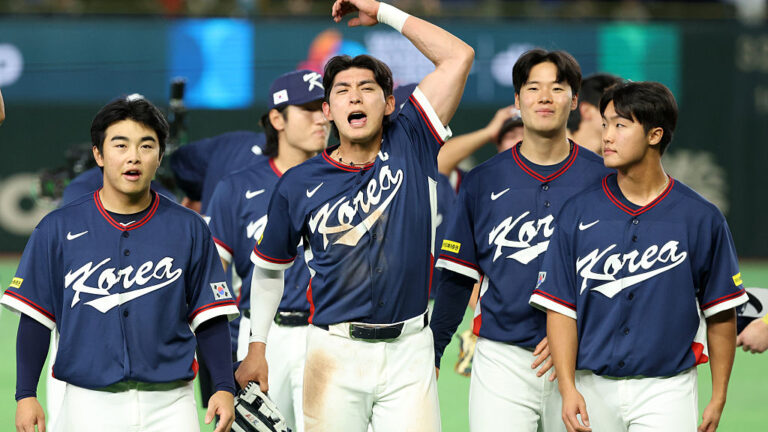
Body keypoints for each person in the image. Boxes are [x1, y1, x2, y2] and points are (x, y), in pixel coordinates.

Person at [237, 0, 474, 430]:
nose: (355, 96)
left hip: (409, 350)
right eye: (342, 91)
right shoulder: (298, 183)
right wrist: (257, 345)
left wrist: (383, 11)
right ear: (328, 111)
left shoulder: (412, 139)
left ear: (388, 104)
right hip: (334, 351)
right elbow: (269, 269)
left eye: (367, 88)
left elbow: (459, 55)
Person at [2, 96, 239, 432]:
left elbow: (210, 317)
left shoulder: (190, 227)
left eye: (146, 146)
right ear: (98, 154)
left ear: (159, 156)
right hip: (87, 404)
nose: (133, 157)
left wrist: (224, 386)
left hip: (171, 403)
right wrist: (26, 394)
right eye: (120, 144)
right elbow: (37, 319)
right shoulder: (57, 228)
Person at [531, 81, 748, 432]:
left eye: (620, 124)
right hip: (589, 385)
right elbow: (560, 308)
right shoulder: (577, 212)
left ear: (654, 135)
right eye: (605, 124)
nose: (607, 136)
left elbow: (721, 312)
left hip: (666, 389)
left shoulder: (701, 217)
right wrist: (568, 387)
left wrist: (718, 395)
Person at [430, 49, 612, 431]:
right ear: (517, 100)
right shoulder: (482, 180)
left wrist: (575, 329)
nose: (544, 97)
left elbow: (619, 271)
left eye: (557, 88)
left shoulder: (605, 180)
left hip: (584, 357)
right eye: (533, 88)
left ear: (575, 100)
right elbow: (457, 277)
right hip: (503, 358)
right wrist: (434, 349)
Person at [209, 69, 329, 432]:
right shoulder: (237, 187)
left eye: (323, 107)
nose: (322, 117)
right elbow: (214, 275)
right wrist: (231, 343)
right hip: (263, 336)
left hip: (328, 333)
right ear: (277, 118)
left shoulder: (346, 178)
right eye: (307, 109)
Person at [566, 73, 622, 156]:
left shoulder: (614, 162)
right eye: (615, 108)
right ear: (586, 111)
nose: (623, 115)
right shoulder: (550, 156)